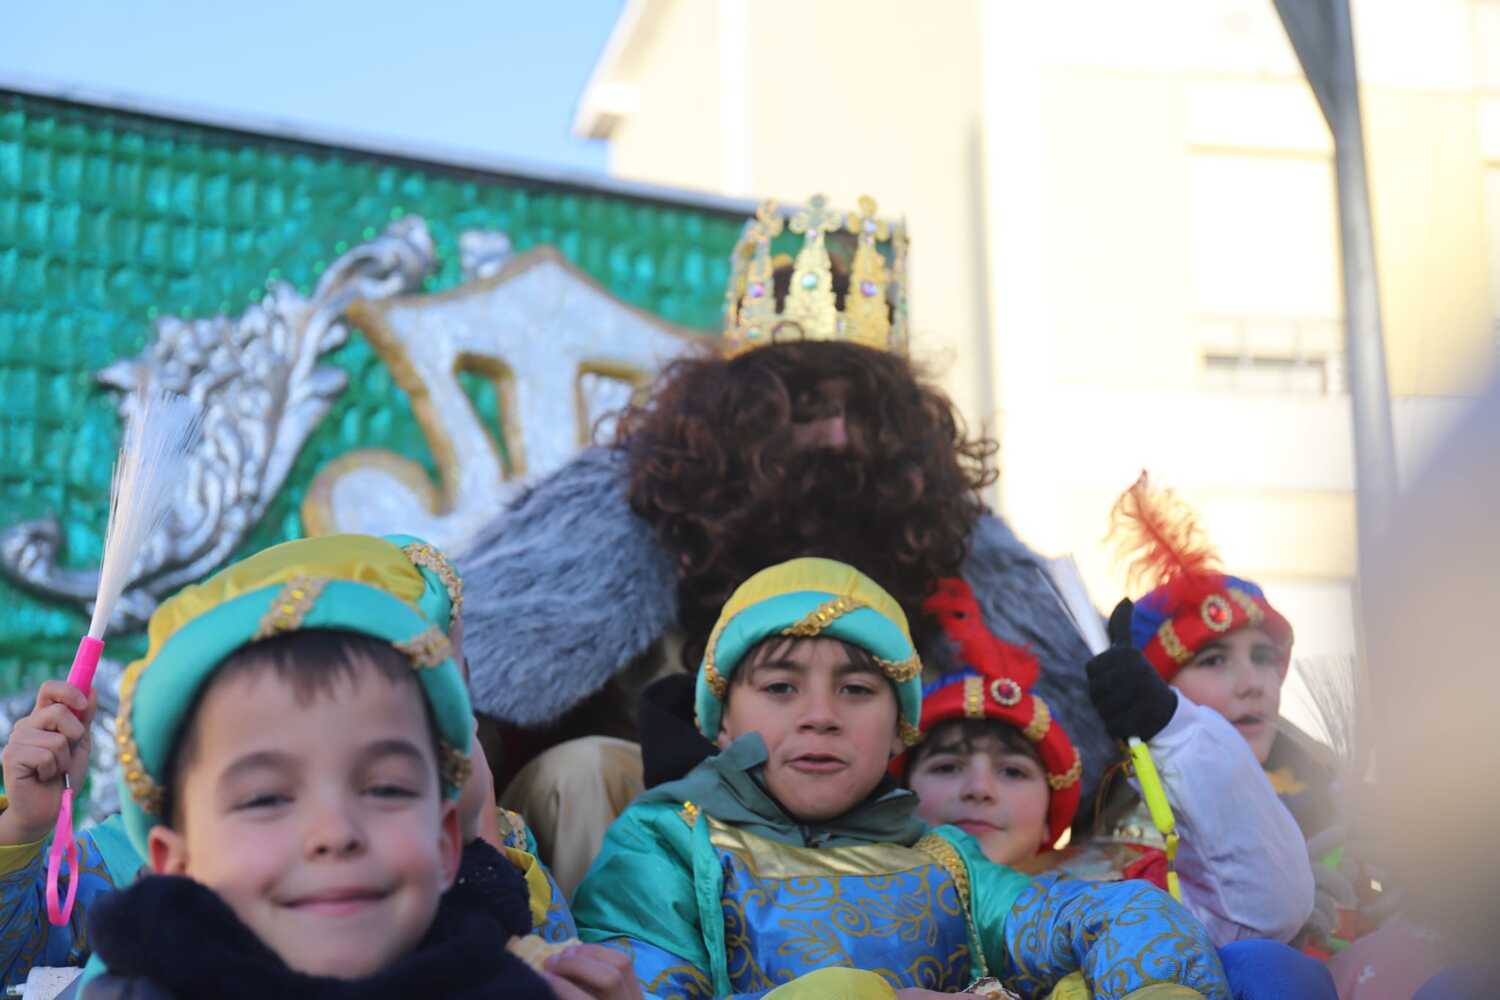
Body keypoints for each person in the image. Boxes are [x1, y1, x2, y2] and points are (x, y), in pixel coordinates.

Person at [463, 195, 1107, 893]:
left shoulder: (951, 539)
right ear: (735, 418)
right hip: (656, 819)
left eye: (858, 414)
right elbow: (474, 698)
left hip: (875, 827)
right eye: (804, 410)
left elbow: (1071, 755)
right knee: (580, 770)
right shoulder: (623, 510)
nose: (835, 439)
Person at [572, 558, 1229, 999]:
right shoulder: (664, 844)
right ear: (719, 722)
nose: (821, 717)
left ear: (897, 732)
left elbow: (1090, 916)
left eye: (856, 690)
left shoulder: (945, 860)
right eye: (780, 687)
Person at [0, 535, 602, 997]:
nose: (334, 832)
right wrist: (24, 829)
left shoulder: (493, 854)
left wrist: (482, 840)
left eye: (387, 785)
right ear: (172, 860)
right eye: (266, 796)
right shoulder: (123, 901)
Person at [904, 578, 1333, 999]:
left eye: (1013, 772)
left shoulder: (1129, 885)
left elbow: (1269, 907)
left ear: (1053, 807)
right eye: (946, 766)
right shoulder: (854, 881)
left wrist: (1169, 728)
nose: (979, 789)